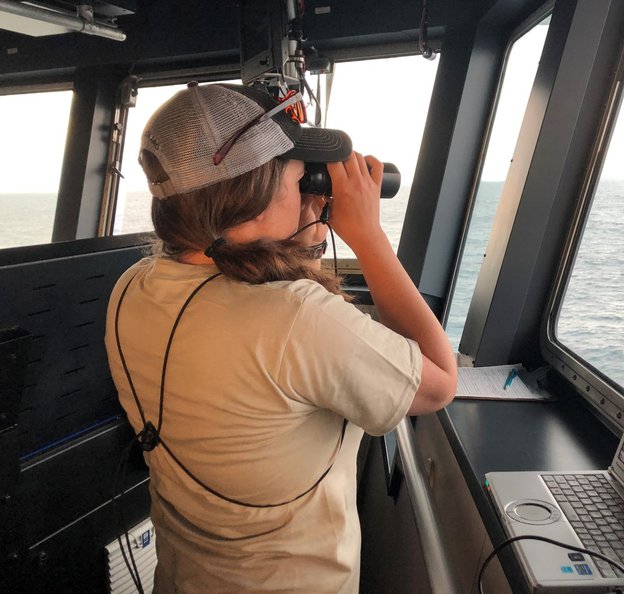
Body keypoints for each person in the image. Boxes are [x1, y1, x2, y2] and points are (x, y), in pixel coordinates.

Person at [104, 82, 457, 593]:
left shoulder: (132, 287)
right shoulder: (295, 317)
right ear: (256, 193)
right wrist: (369, 237)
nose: (313, 188)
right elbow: (440, 382)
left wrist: (299, 229)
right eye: (298, 176)